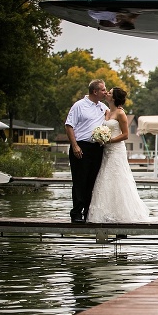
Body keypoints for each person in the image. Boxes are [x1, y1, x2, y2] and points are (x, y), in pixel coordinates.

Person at [87, 87, 151, 223]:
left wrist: (108, 140)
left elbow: (125, 135)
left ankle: (122, 213)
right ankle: (106, 213)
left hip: (116, 149)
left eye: (109, 93)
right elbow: (105, 126)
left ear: (114, 98)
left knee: (117, 178)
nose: (107, 94)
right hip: (106, 151)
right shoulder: (108, 112)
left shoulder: (121, 113)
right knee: (105, 178)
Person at [65, 79, 108, 223]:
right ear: (95, 91)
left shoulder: (102, 107)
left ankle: (88, 212)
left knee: (92, 181)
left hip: (97, 148)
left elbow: (115, 114)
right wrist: (75, 145)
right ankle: (76, 213)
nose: (105, 92)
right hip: (81, 147)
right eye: (103, 90)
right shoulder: (79, 106)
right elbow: (69, 125)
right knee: (80, 181)